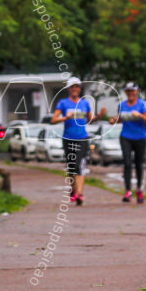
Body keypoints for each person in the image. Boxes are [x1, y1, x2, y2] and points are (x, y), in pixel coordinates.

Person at [51, 77, 101, 205]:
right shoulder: (63, 103)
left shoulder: (84, 103)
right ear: (68, 89)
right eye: (72, 87)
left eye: (77, 87)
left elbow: (90, 119)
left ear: (80, 89)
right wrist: (64, 117)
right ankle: (74, 190)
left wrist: (99, 116)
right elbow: (53, 120)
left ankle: (79, 193)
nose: (75, 89)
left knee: (80, 165)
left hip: (82, 138)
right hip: (68, 138)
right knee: (72, 166)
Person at [111, 82, 146, 204]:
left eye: (132, 91)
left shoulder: (142, 104)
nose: (130, 93)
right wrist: (113, 120)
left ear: (136, 92)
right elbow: (119, 119)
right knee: (127, 163)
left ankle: (139, 189)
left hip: (140, 137)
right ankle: (128, 191)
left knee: (139, 164)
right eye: (128, 91)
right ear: (125, 92)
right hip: (126, 137)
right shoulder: (121, 105)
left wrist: (140, 115)